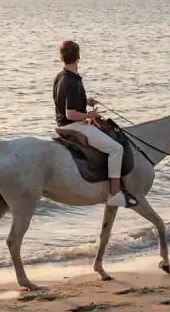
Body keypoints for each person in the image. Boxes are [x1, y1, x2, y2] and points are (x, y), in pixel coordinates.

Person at [53, 40, 131, 207]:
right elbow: (71, 113)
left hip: (62, 124)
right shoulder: (73, 82)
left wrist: (85, 100)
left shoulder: (61, 76)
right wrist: (90, 114)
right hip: (74, 126)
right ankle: (114, 194)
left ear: (61, 58)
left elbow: (64, 101)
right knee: (117, 148)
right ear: (78, 57)